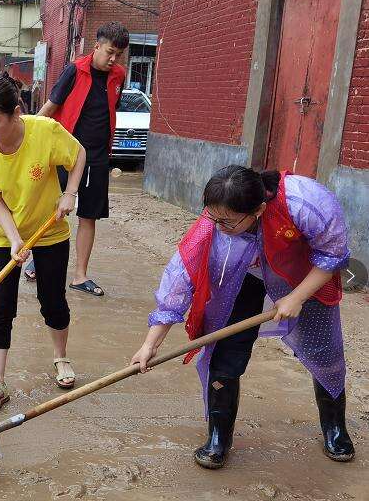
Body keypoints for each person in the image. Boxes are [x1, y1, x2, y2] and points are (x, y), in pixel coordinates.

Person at [131, 166, 353, 469]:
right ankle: (219, 437)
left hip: (303, 272)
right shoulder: (212, 227)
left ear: (259, 210)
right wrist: (150, 344)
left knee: (324, 351)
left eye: (228, 221)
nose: (219, 226)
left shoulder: (306, 202)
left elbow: (333, 254)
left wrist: (297, 296)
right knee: (224, 350)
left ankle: (335, 427)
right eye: (213, 216)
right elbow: (177, 283)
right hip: (242, 275)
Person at [0, 73, 86, 414]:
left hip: (49, 231)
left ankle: (60, 358)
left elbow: (78, 155)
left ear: (15, 113)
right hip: (3, 234)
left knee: (52, 299)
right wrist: (15, 239)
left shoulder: (44, 132)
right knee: (0, 307)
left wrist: (69, 193)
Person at [24, 22, 129, 294]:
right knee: (53, 209)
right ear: (96, 47)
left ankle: (80, 275)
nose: (113, 59)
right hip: (64, 154)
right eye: (110, 52)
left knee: (89, 216)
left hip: (97, 157)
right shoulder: (75, 70)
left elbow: (109, 111)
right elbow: (51, 105)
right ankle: (37, 259)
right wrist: (27, 134)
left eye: (119, 54)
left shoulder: (118, 75)